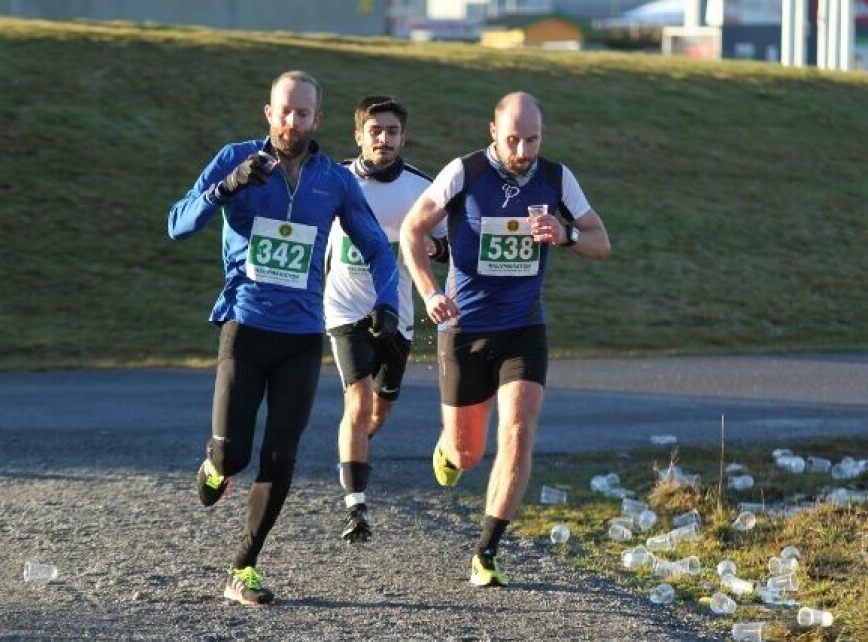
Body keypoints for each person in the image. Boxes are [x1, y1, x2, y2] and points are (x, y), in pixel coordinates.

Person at [167, 71, 399, 606]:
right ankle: (215, 465)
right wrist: (226, 188)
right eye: (283, 112)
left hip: (300, 336)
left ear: (318, 119)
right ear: (268, 113)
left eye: (303, 114)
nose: (292, 122)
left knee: (282, 455)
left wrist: (386, 301)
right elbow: (177, 224)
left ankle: (243, 567)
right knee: (234, 455)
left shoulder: (333, 181)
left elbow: (378, 249)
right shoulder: (236, 158)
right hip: (245, 328)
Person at [399, 91, 610, 587]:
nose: (522, 150)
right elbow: (412, 231)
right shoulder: (465, 172)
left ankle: (486, 552)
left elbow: (601, 241)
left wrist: (565, 234)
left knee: (517, 430)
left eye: (532, 139)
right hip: (464, 327)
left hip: (523, 327)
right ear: (493, 131)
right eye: (512, 139)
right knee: (467, 452)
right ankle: (449, 450)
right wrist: (429, 292)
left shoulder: (557, 178)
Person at [323, 95, 446, 544]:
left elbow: (452, 243)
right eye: (375, 131)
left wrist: (438, 249)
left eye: (392, 132)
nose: (384, 139)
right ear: (359, 136)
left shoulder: (422, 189)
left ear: (402, 137)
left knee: (381, 406)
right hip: (345, 309)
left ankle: (352, 448)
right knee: (356, 402)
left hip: (399, 315)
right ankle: (356, 507)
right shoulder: (334, 178)